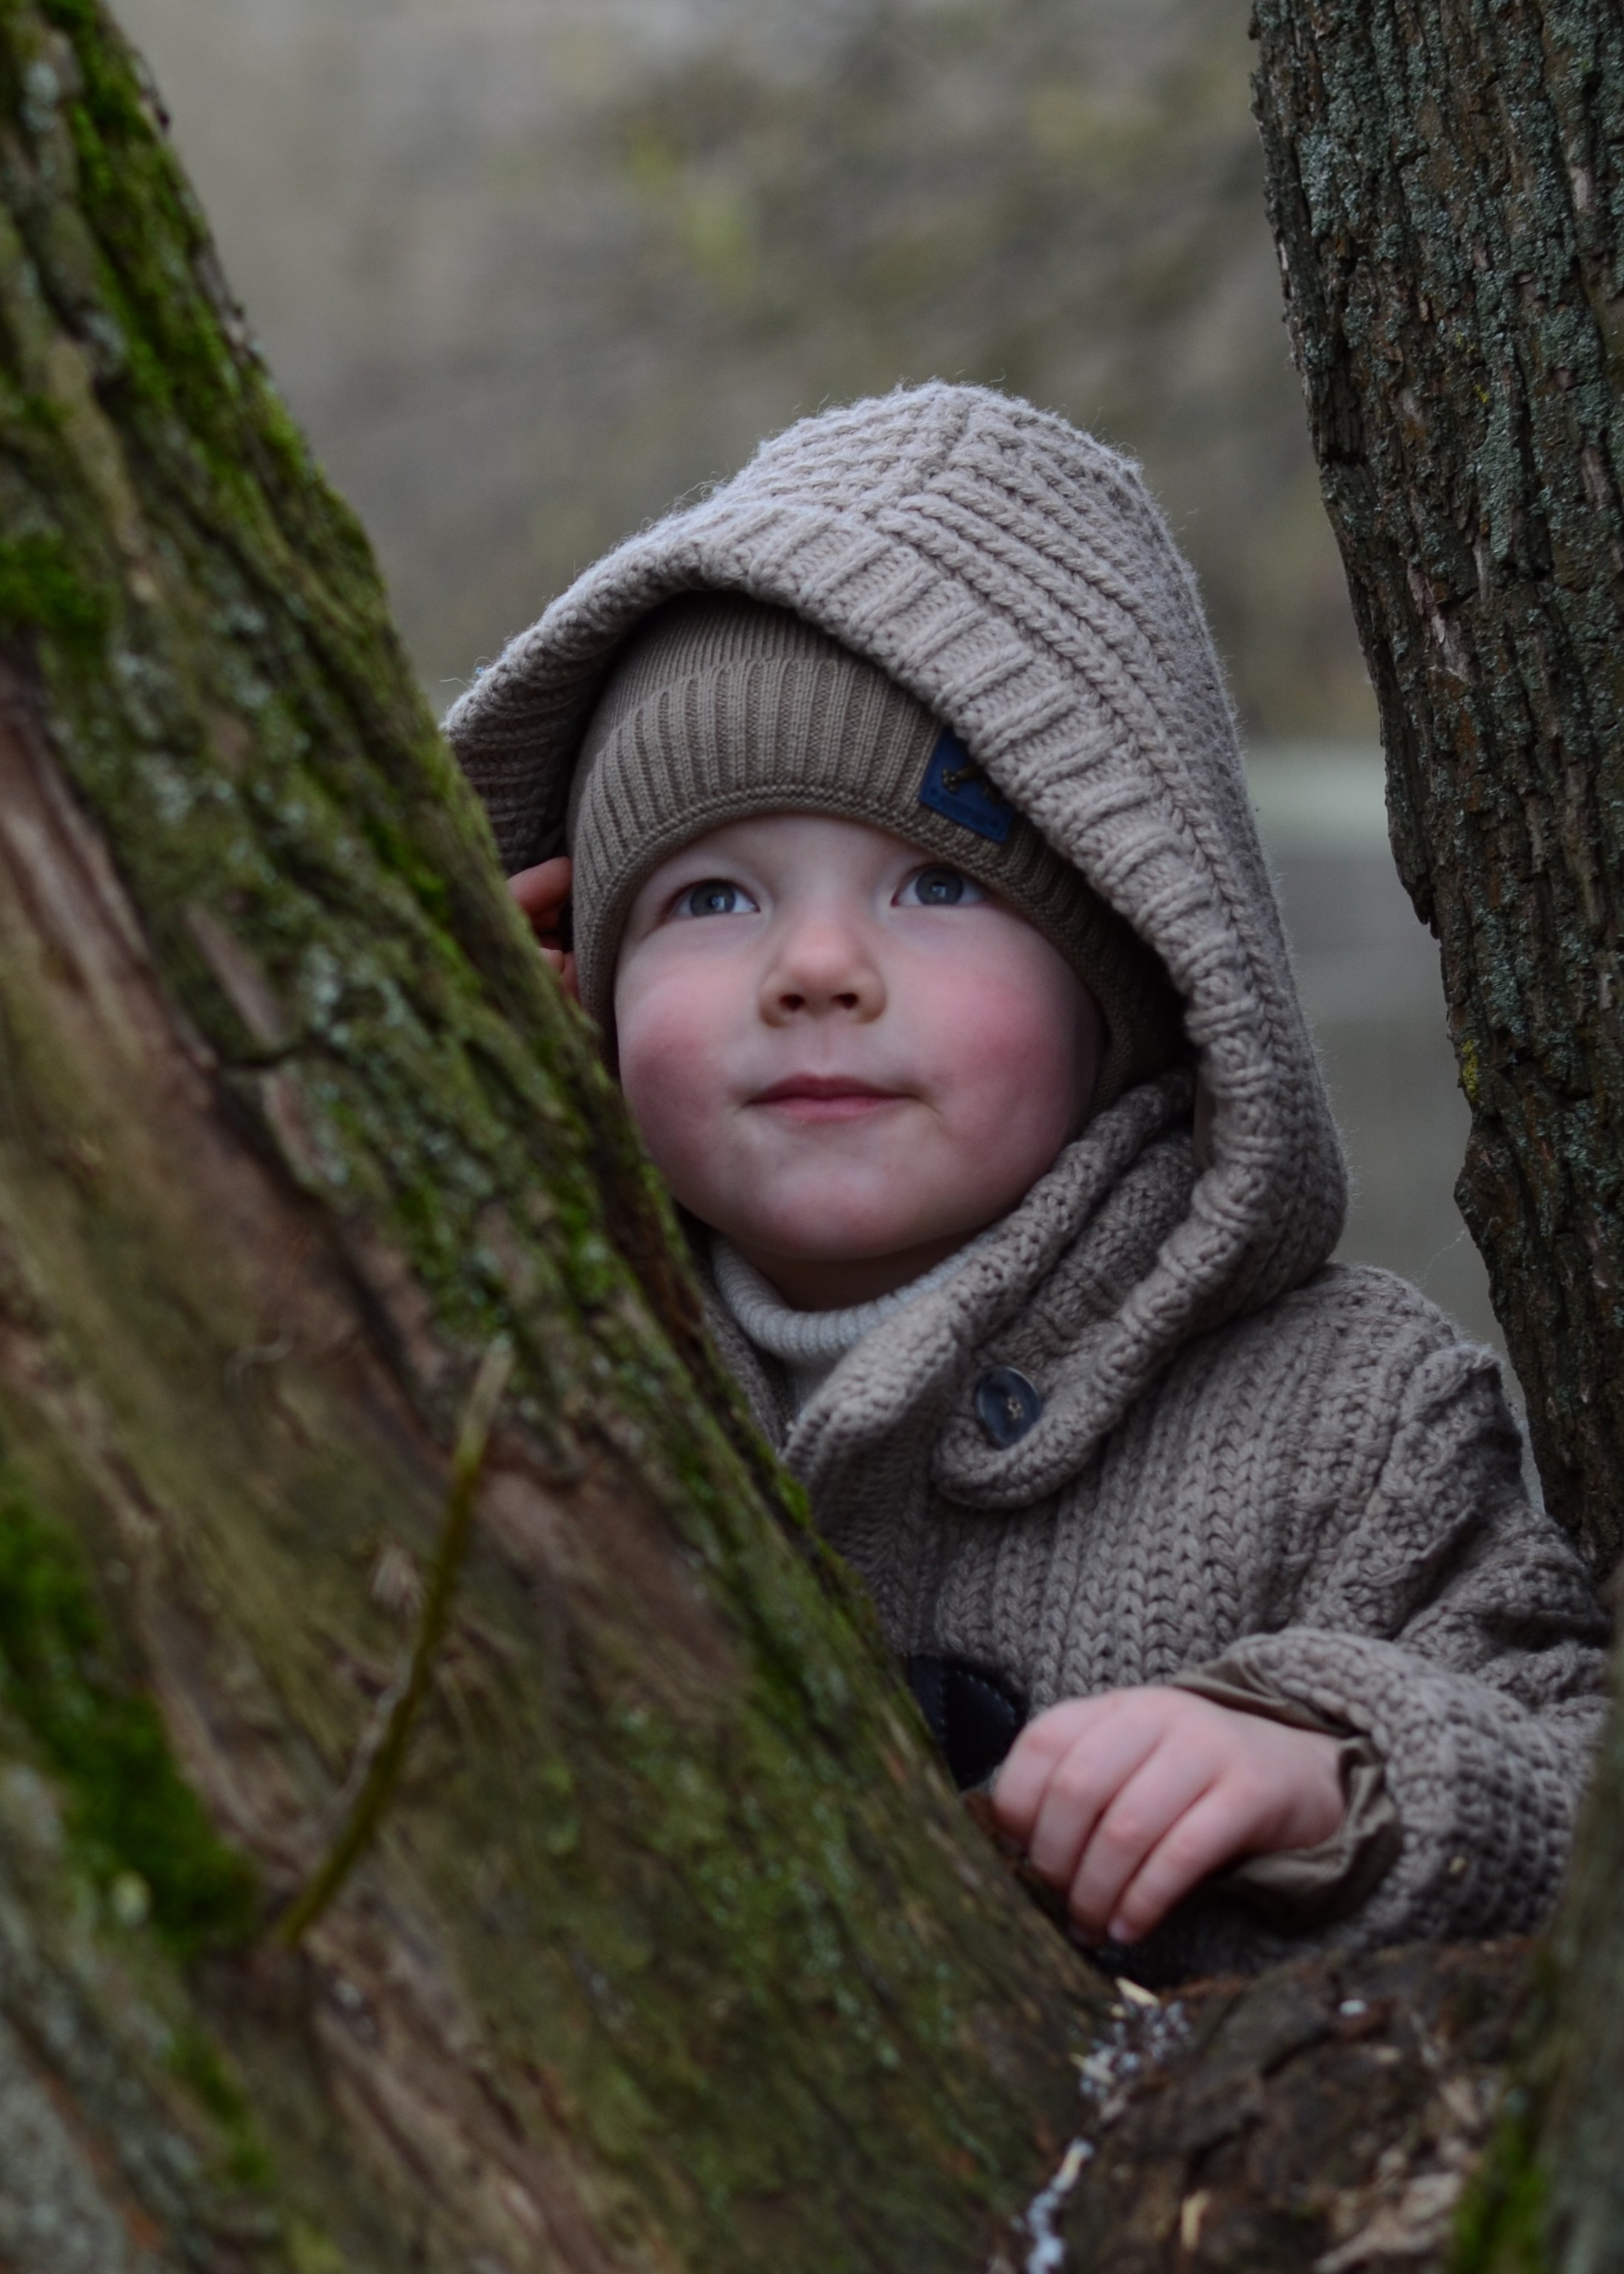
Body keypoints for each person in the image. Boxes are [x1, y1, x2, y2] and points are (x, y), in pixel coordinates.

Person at [445, 383, 1608, 1981]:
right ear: (585, 982)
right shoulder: (523, 1339)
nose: (817, 967)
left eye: (936, 885)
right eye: (711, 898)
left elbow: (1575, 1767)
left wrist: (1329, 1771)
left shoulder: (1340, 1418)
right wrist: (466, 1085)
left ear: (1126, 971)